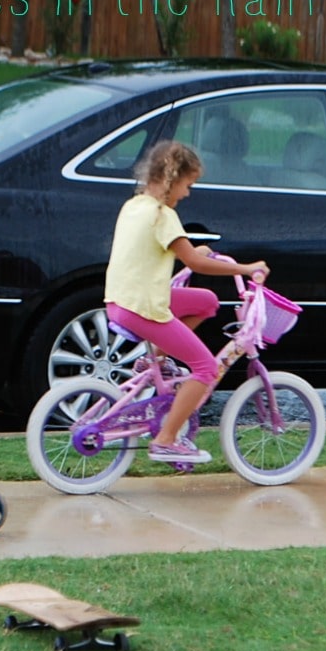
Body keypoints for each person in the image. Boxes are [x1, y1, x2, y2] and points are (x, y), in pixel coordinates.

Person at [104, 140, 269, 464]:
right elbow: (196, 264)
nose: (188, 193)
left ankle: (159, 360)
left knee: (206, 301)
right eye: (188, 184)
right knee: (206, 368)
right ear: (171, 178)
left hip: (121, 301)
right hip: (143, 307)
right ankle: (166, 440)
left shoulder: (135, 206)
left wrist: (196, 252)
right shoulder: (163, 216)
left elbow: (162, 253)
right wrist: (245, 268)